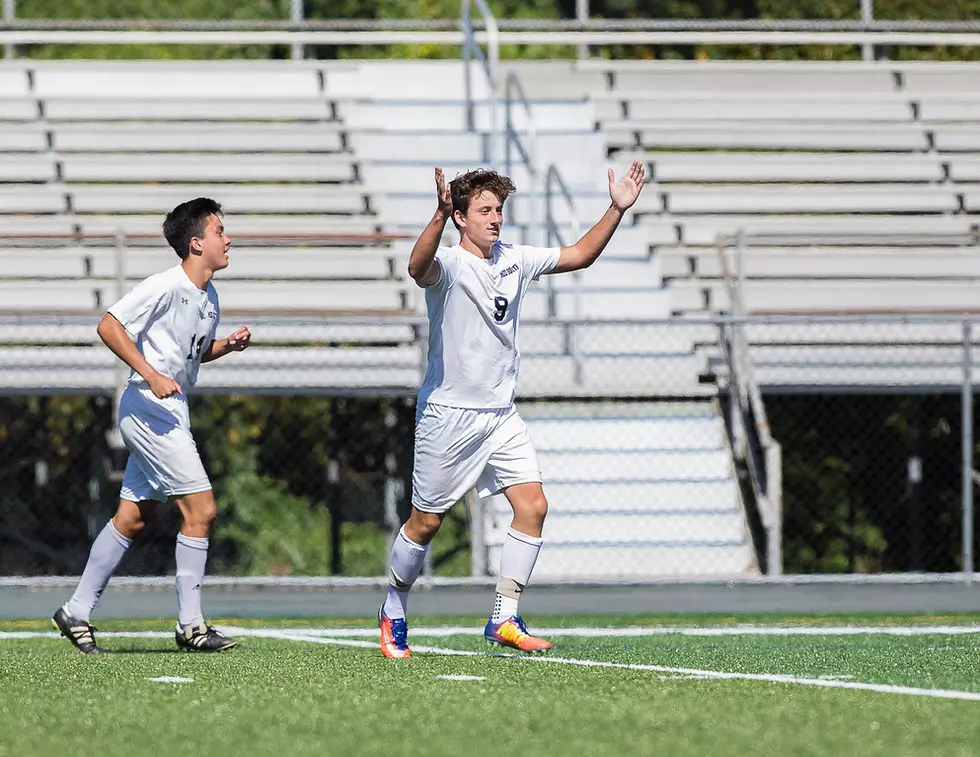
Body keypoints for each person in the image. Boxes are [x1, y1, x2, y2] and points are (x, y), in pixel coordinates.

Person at [378, 161, 647, 658]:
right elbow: (417, 269)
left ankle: (505, 616)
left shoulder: (515, 259)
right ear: (460, 217)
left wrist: (616, 208)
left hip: (501, 416)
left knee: (534, 506)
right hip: (448, 416)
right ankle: (394, 605)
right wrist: (435, 216)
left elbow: (582, 254)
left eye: (498, 209)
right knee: (426, 524)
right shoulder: (452, 264)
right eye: (484, 210)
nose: (495, 218)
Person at [52, 197, 251, 654]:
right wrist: (150, 373)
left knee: (132, 517)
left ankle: (76, 611)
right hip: (147, 409)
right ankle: (191, 626)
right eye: (220, 231)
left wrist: (226, 346)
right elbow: (109, 325)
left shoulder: (208, 296)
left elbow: (191, 355)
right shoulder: (166, 284)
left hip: (168, 411)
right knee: (201, 510)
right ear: (197, 243)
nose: (228, 238)